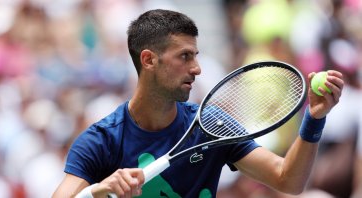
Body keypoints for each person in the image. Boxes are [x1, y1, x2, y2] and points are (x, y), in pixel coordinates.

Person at [52, 9, 344, 198]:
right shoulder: (102, 140)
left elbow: (288, 181)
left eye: (196, 55)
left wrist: (315, 118)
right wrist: (98, 192)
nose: (197, 68)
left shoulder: (211, 124)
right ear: (149, 60)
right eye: (185, 56)